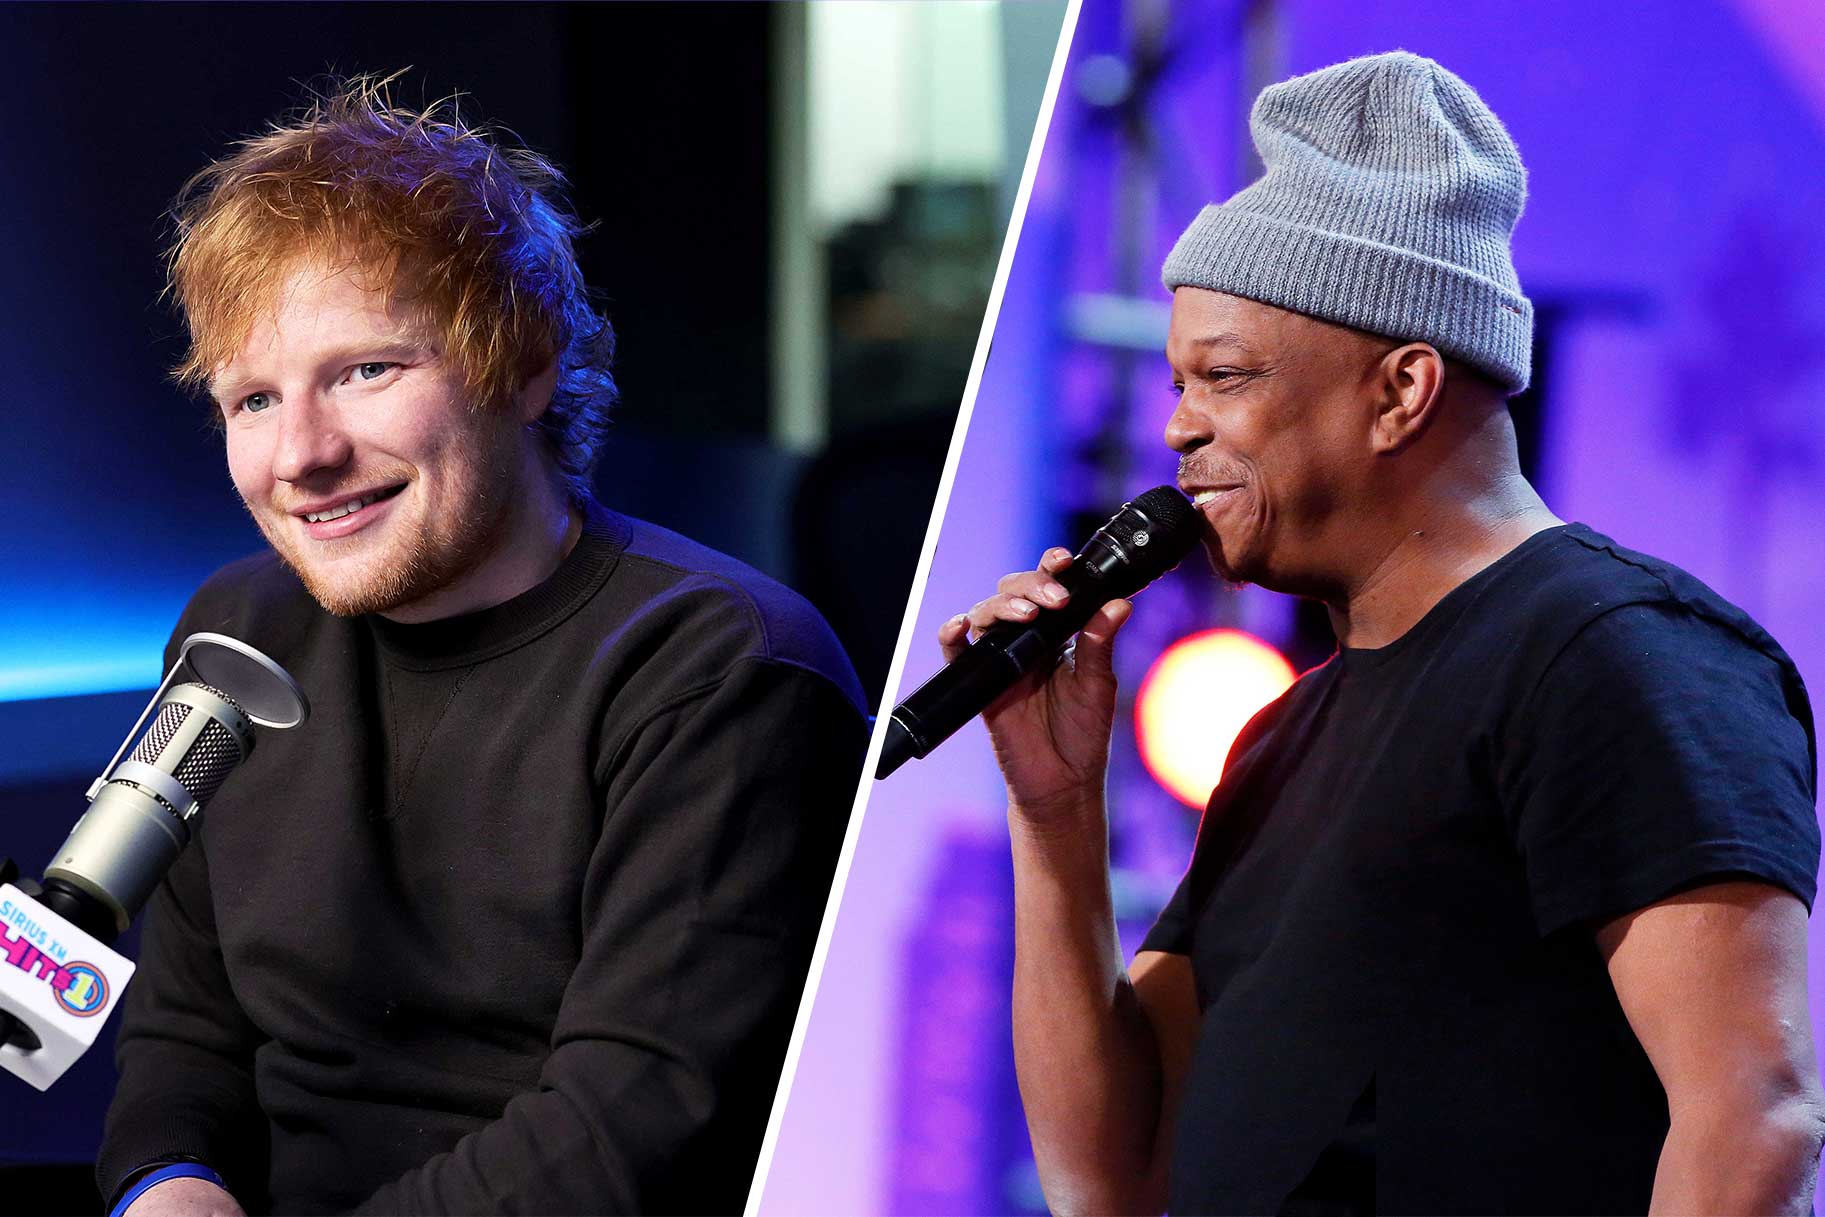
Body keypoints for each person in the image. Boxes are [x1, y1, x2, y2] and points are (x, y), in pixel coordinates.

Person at [950, 52, 1823, 1214]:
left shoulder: (1618, 652)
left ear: (1400, 390)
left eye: (1224, 375)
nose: (1176, 427)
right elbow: (1107, 1172)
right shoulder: (1282, 734)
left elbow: (1753, 1119)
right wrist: (1053, 812)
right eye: (1175, 380)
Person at [95, 78, 868, 1217]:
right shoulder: (234, 632)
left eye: (366, 370)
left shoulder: (721, 668)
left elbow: (627, 1128)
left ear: (524, 362)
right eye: (253, 399)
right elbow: (187, 1027)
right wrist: (169, 1183)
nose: (300, 454)